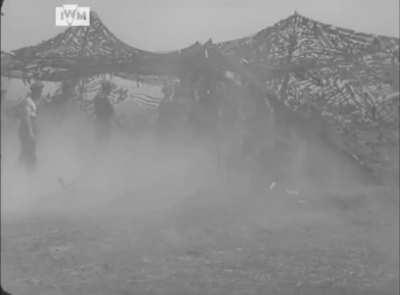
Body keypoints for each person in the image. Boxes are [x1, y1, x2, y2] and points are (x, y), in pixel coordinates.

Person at [16, 81, 43, 172]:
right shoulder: (28, 101)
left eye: (41, 90)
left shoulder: (34, 101)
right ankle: (28, 170)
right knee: (28, 151)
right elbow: (26, 117)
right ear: (34, 91)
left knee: (27, 151)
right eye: (39, 90)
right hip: (26, 129)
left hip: (30, 128)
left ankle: (23, 169)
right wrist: (31, 132)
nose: (41, 92)